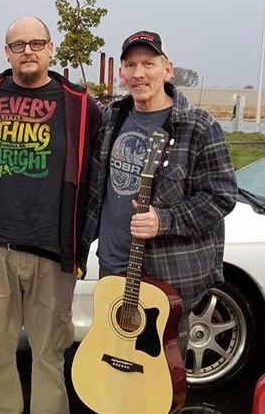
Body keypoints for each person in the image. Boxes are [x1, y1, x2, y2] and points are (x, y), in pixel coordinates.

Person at [0, 16, 101, 414]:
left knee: (48, 356)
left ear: (51, 49)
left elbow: (101, 169)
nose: (28, 51)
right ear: (6, 52)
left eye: (36, 43)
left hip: (53, 255)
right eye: (18, 44)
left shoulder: (79, 105)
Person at [81, 30, 238, 356]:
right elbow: (97, 190)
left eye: (148, 64)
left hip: (166, 276)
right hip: (113, 266)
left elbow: (221, 196)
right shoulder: (113, 117)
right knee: (111, 360)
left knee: (159, 371)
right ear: (122, 73)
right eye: (131, 65)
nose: (139, 73)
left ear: (167, 69)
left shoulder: (198, 126)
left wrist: (164, 220)